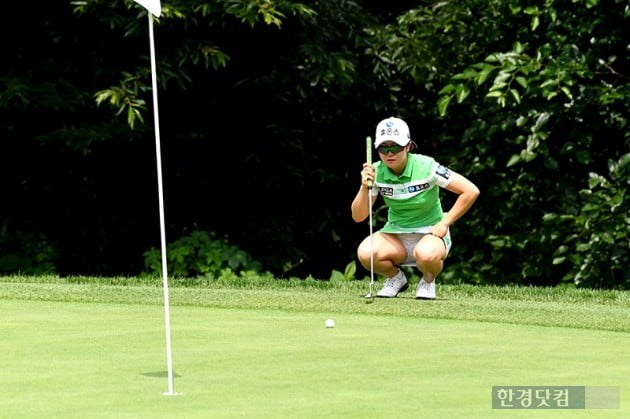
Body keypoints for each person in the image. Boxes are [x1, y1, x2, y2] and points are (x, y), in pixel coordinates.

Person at [351, 116, 480, 299]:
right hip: (395, 234)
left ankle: (427, 281)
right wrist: (364, 187)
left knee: (427, 255)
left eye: (395, 147)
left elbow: (470, 191)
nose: (389, 153)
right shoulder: (375, 171)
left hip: (431, 233)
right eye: (383, 148)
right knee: (366, 253)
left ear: (408, 146)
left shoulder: (427, 166)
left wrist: (445, 222)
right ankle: (396, 279)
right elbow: (358, 216)